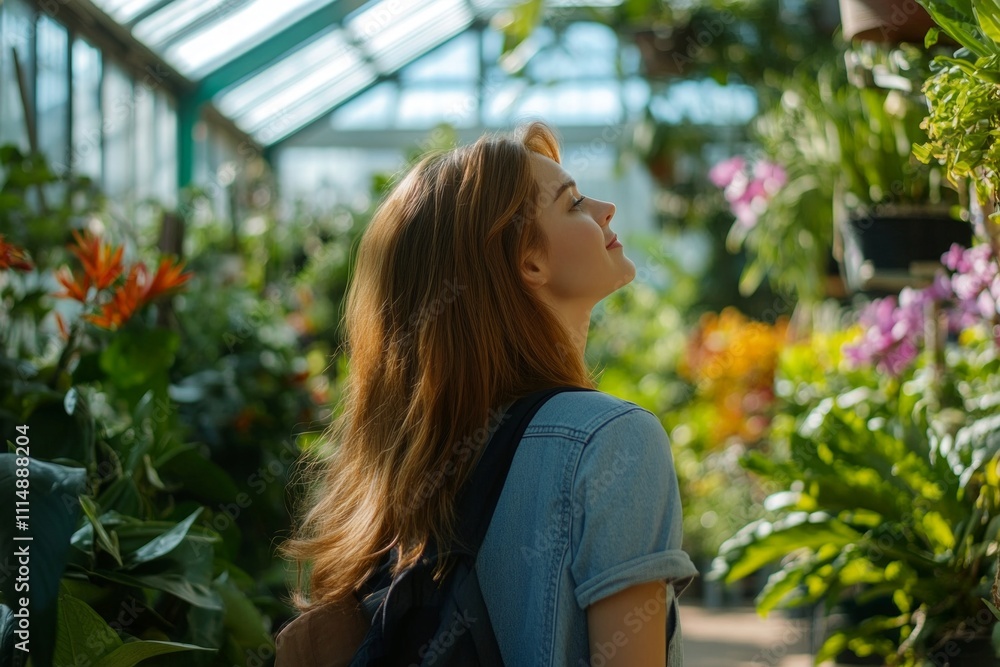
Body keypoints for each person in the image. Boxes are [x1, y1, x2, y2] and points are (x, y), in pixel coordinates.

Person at [280, 120, 698, 666]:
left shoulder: (411, 464)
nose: (606, 209)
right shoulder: (613, 440)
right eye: (573, 204)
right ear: (528, 261)